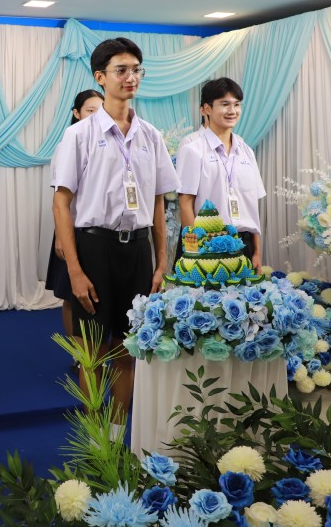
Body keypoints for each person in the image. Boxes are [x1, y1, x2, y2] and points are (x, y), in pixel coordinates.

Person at [52, 38, 179, 442]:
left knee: (129, 348)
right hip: (94, 247)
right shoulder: (79, 136)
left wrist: (162, 262)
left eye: (136, 69)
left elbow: (157, 201)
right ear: (100, 77)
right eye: (121, 70)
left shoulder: (150, 136)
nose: (130, 78)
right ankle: (95, 440)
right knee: (91, 353)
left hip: (137, 249)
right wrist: (74, 270)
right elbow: (61, 202)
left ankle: (116, 432)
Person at [175, 77, 265, 268]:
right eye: (225, 104)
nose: (232, 111)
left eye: (236, 104)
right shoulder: (193, 149)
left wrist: (257, 252)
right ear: (206, 109)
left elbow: (252, 204)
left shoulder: (246, 151)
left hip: (243, 243)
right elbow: (185, 204)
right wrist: (194, 252)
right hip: (208, 244)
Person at [45, 90, 104, 357]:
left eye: (100, 110)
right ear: (76, 113)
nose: (96, 116)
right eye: (90, 110)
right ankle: (78, 354)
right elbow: (60, 199)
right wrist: (60, 235)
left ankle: (93, 352)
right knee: (71, 295)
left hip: (98, 235)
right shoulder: (67, 144)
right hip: (71, 230)